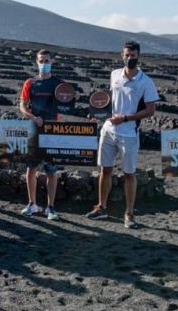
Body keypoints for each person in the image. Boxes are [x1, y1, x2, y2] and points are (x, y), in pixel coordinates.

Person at [86, 40, 159, 229]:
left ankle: (129, 212)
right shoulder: (114, 74)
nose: (129, 58)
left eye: (133, 55)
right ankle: (101, 207)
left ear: (138, 56)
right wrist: (98, 114)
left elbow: (150, 110)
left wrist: (126, 118)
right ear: (122, 55)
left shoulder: (146, 82)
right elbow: (110, 101)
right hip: (108, 130)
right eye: (127, 55)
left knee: (129, 173)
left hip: (129, 133)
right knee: (105, 170)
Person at [18, 49, 80, 220]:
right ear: (36, 62)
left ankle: (50, 207)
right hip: (34, 129)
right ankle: (32, 204)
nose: (43, 64)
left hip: (53, 131)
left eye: (46, 61)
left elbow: (69, 97)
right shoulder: (30, 82)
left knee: (51, 171)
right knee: (31, 168)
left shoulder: (59, 83)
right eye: (41, 61)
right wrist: (32, 117)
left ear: (52, 61)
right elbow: (22, 105)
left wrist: (76, 96)